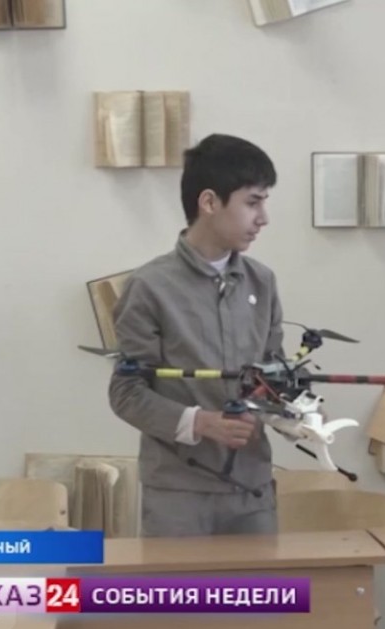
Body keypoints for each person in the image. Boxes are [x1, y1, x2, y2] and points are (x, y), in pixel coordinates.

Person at [108, 133, 286, 537]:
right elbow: (126, 392)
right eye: (253, 202)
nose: (263, 218)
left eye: (264, 202)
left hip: (252, 490)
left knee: (262, 583)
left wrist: (299, 411)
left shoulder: (263, 282)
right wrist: (200, 423)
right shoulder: (150, 287)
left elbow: (273, 376)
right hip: (178, 495)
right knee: (180, 583)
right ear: (209, 202)